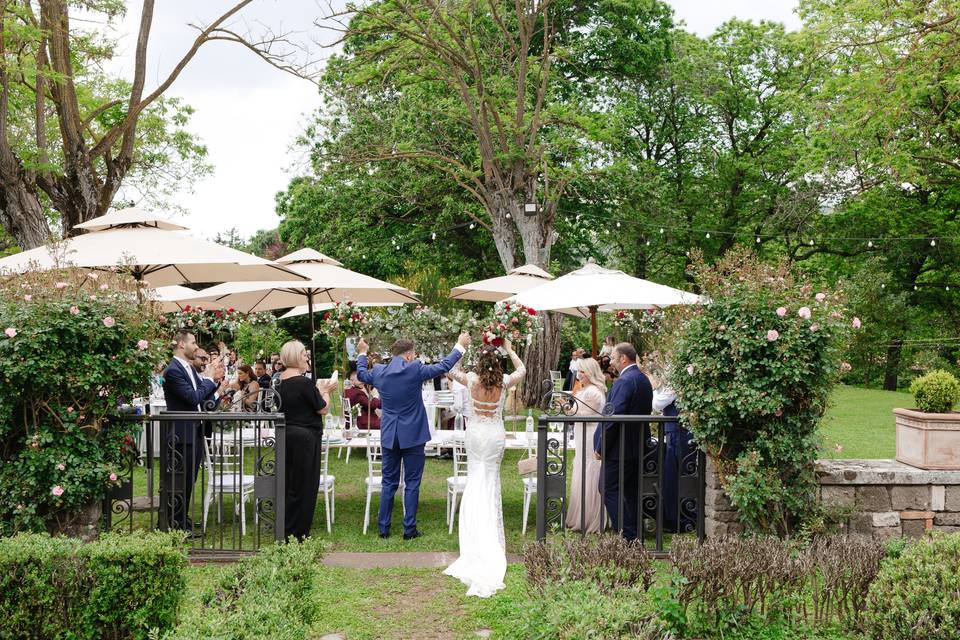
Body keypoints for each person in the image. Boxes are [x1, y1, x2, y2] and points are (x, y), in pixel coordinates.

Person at [356, 332, 470, 540]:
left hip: (390, 433)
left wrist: (362, 353)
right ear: (409, 356)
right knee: (412, 482)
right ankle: (409, 529)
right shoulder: (415, 368)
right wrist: (460, 346)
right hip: (413, 435)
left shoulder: (380, 371)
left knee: (388, 482)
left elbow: (362, 374)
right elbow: (444, 366)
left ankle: (384, 528)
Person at [443, 339, 525, 598]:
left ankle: (474, 534)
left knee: (475, 478)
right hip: (494, 435)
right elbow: (522, 370)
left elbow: (449, 370)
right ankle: (488, 531)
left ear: (479, 363)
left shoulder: (470, 379)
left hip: (476, 433)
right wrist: (511, 350)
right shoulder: (504, 383)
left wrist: (461, 347)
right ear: (498, 364)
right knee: (490, 479)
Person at [162, 331, 224, 532]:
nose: (196, 347)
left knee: (189, 480)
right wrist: (207, 379)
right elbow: (192, 398)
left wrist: (216, 383)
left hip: (194, 431)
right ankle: (173, 524)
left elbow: (201, 394)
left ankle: (181, 520)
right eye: (193, 342)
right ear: (181, 344)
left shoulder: (187, 368)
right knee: (178, 481)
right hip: (181, 433)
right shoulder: (173, 370)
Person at [277, 340, 335, 541]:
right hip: (305, 438)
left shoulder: (279, 382)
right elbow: (322, 408)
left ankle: (286, 528)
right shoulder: (303, 382)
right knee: (305, 485)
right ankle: (298, 532)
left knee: (288, 484)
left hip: (285, 435)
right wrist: (326, 391)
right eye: (303, 354)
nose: (307, 358)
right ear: (294, 357)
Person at [593, 342, 652, 541]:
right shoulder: (643, 380)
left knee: (608, 489)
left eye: (614, 359)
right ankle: (635, 534)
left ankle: (628, 536)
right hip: (637, 448)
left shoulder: (624, 381)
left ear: (623, 359)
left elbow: (613, 418)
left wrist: (601, 447)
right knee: (630, 492)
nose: (612, 363)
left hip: (619, 449)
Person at [566, 357, 607, 534]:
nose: (579, 375)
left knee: (590, 470)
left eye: (583, 371)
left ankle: (590, 516)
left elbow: (583, 413)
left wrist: (567, 409)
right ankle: (580, 513)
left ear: (590, 373)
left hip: (591, 435)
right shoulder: (586, 390)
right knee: (581, 468)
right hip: (582, 434)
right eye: (579, 371)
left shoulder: (594, 392)